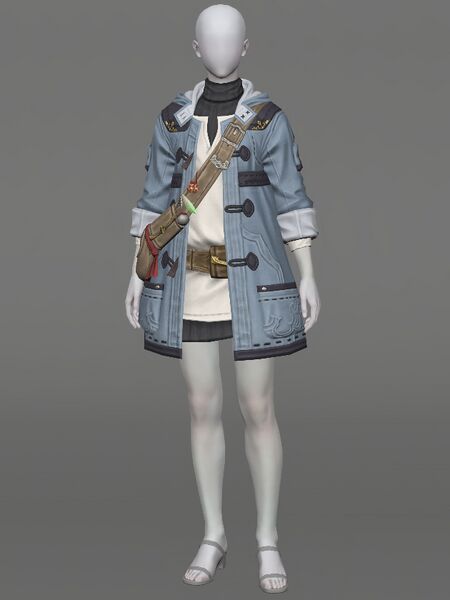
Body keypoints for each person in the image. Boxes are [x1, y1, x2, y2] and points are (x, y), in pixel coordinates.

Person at [125, 4, 320, 593]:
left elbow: (291, 195)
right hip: (189, 281)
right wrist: (136, 273)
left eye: (230, 38)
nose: (220, 48)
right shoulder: (172, 119)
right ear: (195, 48)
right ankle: (214, 534)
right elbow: (153, 200)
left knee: (258, 408)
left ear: (245, 47)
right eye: (210, 39)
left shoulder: (268, 120)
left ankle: (267, 539)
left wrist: (308, 273)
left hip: (254, 285)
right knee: (202, 407)